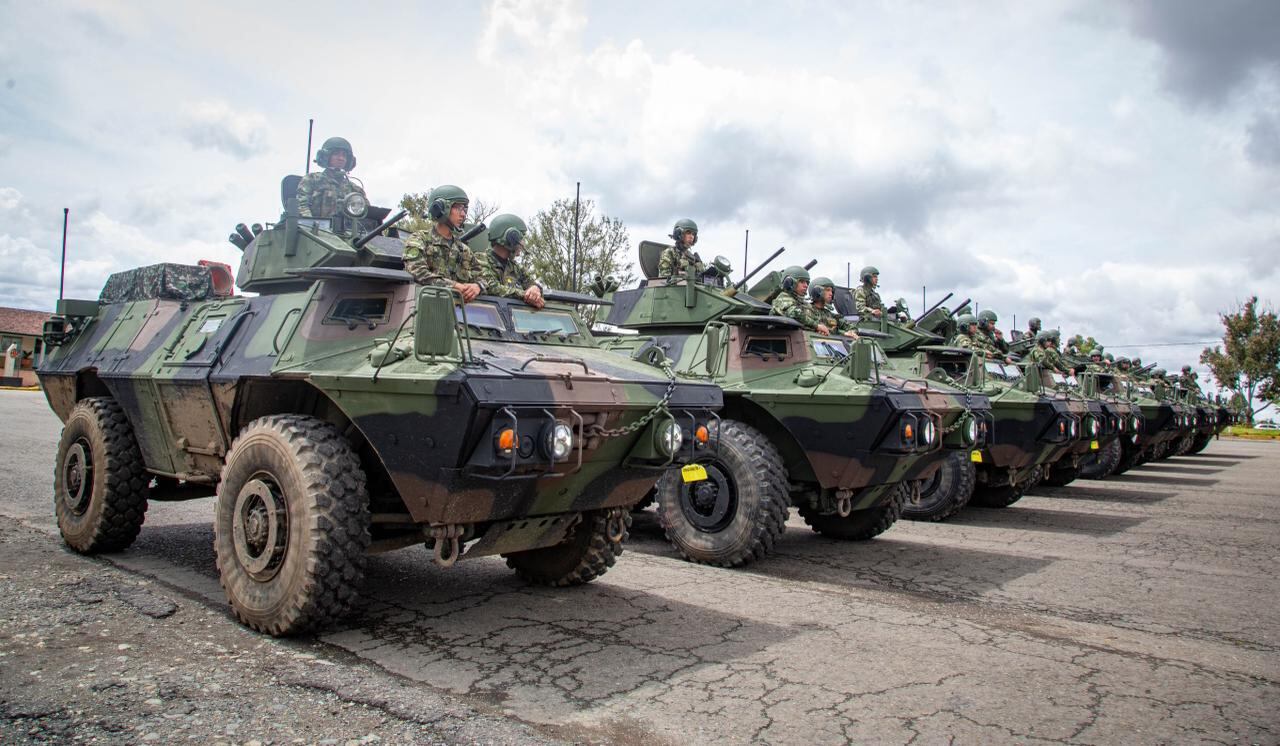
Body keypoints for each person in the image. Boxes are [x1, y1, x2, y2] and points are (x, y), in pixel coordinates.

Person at [402, 184, 487, 302]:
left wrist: (477, 286)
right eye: (458, 208)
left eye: (465, 209)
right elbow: (418, 272)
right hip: (426, 309)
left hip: (460, 313)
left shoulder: (464, 250)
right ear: (441, 208)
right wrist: (455, 286)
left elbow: (483, 278)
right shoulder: (419, 240)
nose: (463, 214)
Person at [477, 214, 544, 309]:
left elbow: (532, 283)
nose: (523, 243)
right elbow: (491, 287)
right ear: (511, 238)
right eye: (521, 238)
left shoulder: (515, 268)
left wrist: (535, 289)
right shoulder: (481, 260)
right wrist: (523, 294)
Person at [296, 137, 367, 218]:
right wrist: (311, 225)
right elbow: (301, 205)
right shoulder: (312, 180)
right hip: (316, 228)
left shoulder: (355, 189)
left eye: (344, 155)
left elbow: (367, 214)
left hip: (349, 229)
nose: (341, 158)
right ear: (326, 156)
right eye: (336, 154)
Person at [771, 266, 829, 333]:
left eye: (807, 282)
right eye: (802, 282)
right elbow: (795, 313)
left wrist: (819, 329)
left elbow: (816, 319)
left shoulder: (803, 304)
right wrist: (817, 326)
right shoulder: (782, 298)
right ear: (790, 282)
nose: (806, 285)